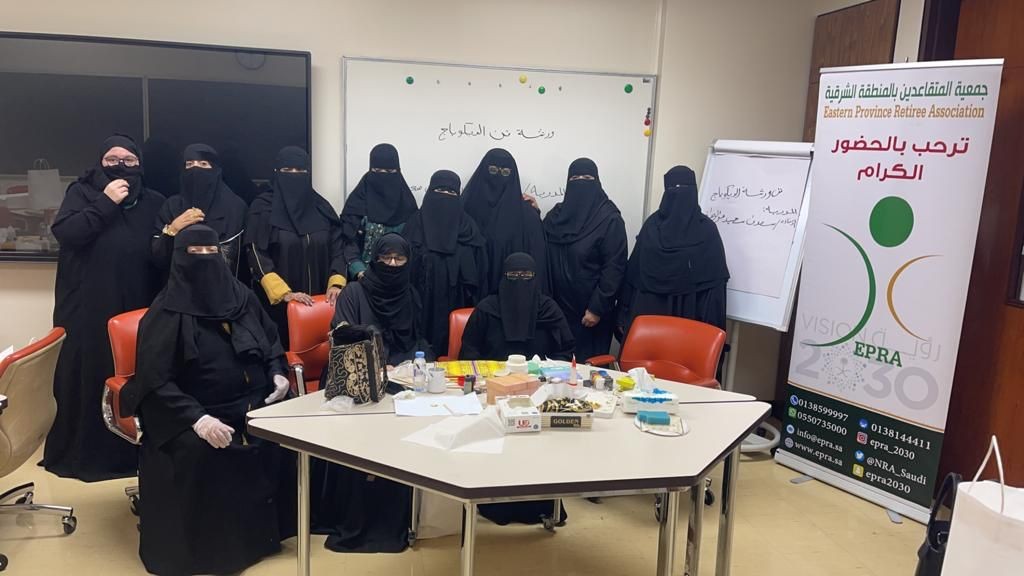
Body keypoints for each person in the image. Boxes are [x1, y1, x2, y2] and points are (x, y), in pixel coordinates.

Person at [124, 224, 295, 576]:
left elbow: (270, 341)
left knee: (285, 441)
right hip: (195, 412)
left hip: (251, 401)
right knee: (200, 454)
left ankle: (266, 536)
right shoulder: (166, 311)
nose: (204, 259)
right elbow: (155, 381)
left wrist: (278, 372)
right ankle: (216, 552)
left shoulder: (242, 297)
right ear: (179, 259)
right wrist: (197, 419)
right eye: (194, 253)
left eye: (211, 252)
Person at [42, 134, 163, 482]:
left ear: (140, 165)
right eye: (112, 160)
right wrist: (105, 202)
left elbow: (159, 252)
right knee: (88, 372)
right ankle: (82, 455)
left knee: (131, 374)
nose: (120, 166)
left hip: (137, 305)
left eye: (129, 160)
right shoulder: (82, 192)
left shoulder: (154, 201)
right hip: (87, 305)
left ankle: (131, 453)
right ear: (99, 162)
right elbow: (67, 233)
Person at [245, 146, 346, 348]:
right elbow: (256, 253)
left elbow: (339, 248)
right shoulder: (263, 208)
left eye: (300, 170)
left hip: (321, 303)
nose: (294, 175)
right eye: (287, 170)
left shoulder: (321, 208)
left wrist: (336, 283)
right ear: (276, 173)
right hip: (278, 308)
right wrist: (285, 294)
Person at [618, 165, 730, 337]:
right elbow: (633, 276)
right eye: (673, 188)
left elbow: (715, 292)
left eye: (684, 188)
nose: (678, 194)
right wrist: (622, 316)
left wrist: (713, 335)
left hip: (690, 320)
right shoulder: (651, 227)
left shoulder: (707, 231)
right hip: (649, 320)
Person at [543, 158, 628, 360]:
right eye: (575, 178)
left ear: (597, 181)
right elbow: (541, 240)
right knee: (556, 368)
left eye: (587, 177)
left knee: (586, 372)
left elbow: (614, 267)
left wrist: (596, 308)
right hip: (557, 311)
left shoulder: (609, 219)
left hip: (589, 315)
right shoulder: (556, 216)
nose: (581, 182)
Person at [403, 170, 489, 356]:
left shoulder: (469, 229)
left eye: (451, 192)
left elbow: (479, 277)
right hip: (419, 307)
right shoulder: (414, 226)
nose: (445, 196)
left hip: (457, 303)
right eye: (440, 190)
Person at [332, 233, 431, 365]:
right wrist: (378, 365)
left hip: (405, 369)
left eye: (399, 259)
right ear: (375, 259)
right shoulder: (353, 293)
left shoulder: (410, 294)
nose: (392, 264)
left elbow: (417, 340)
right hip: (361, 367)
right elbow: (342, 336)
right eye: (386, 258)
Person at [152, 143, 248, 276]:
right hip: (179, 285)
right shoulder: (171, 206)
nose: (195, 170)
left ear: (215, 170)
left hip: (224, 285)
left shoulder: (235, 208)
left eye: (203, 164)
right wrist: (173, 229)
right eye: (189, 164)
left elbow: (242, 262)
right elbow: (158, 258)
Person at [460, 253, 574, 363]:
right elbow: (469, 350)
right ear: (503, 277)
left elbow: (565, 350)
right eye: (513, 275)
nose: (520, 280)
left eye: (526, 275)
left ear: (535, 278)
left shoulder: (548, 310)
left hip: (540, 374)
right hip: (493, 374)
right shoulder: (486, 309)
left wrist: (549, 370)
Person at [461, 148, 548, 292]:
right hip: (471, 293)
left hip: (512, 294)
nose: (498, 177)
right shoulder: (466, 208)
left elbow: (537, 263)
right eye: (493, 170)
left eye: (505, 172)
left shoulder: (527, 216)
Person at [340, 143, 418, 280]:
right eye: (377, 170)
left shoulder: (408, 207)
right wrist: (359, 271)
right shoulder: (357, 204)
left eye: (389, 171)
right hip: (361, 281)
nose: (383, 176)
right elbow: (348, 242)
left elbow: (412, 248)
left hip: (399, 281)